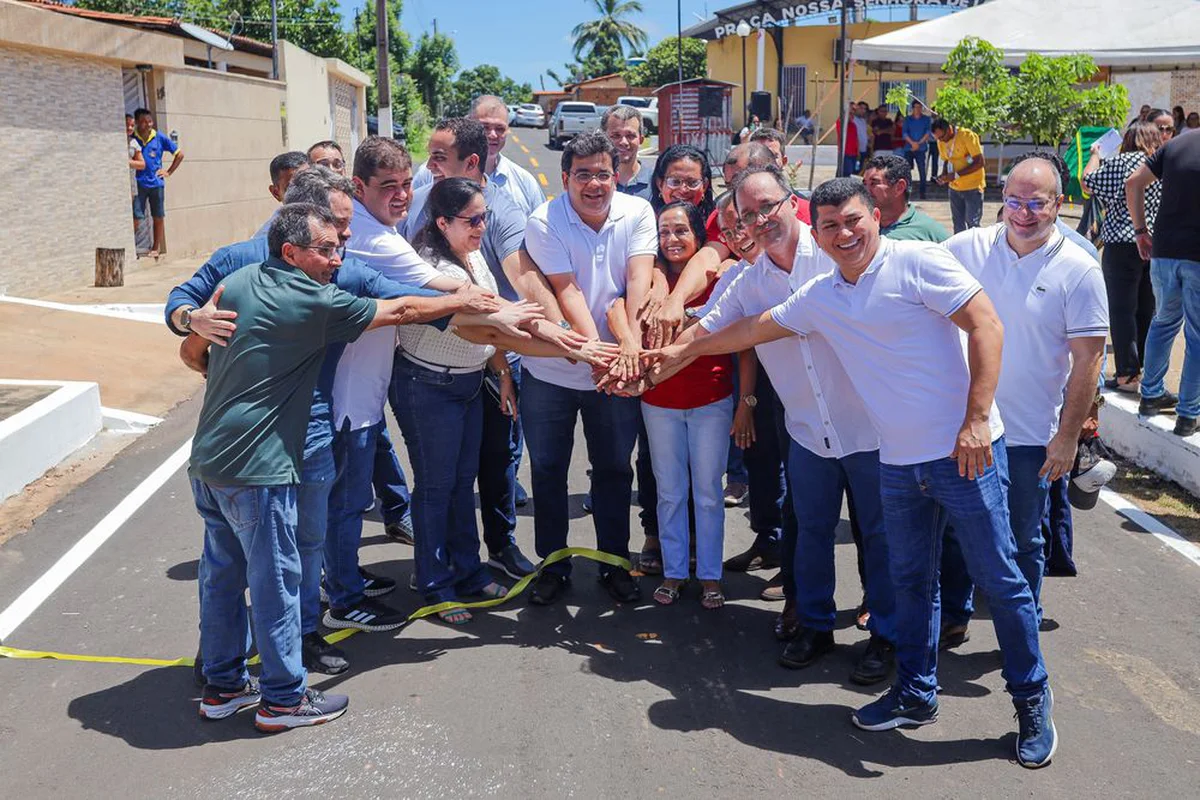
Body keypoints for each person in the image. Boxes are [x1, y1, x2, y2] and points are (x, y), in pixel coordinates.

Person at [652, 177, 1056, 768]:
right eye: (831, 226)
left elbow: (988, 327)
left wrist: (974, 420)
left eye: (853, 221)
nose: (844, 234)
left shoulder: (918, 261)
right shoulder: (821, 295)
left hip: (964, 454)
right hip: (896, 460)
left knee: (1001, 582)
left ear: (874, 218)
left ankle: (1031, 701)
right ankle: (917, 694)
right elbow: (745, 329)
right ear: (817, 231)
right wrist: (676, 353)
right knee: (912, 584)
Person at [169, 167, 508, 677]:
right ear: (300, 229)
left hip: (309, 433)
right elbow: (181, 307)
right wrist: (189, 320)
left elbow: (399, 296)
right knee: (258, 565)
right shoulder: (243, 265)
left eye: (346, 235)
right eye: (338, 233)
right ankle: (254, 671)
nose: (346, 246)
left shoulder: (332, 268)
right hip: (255, 449)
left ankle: (290, 640)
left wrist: (480, 308)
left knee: (303, 546)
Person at [645, 167, 899, 686]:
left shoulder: (834, 250)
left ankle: (887, 636)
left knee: (880, 536)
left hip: (872, 429)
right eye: (746, 217)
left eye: (768, 208)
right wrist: (640, 370)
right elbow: (702, 336)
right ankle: (815, 625)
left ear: (792, 202)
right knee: (810, 534)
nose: (760, 222)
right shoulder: (747, 281)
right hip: (807, 432)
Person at [940, 158, 1108, 637]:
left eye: (1037, 203)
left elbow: (1089, 362)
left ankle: (1021, 628)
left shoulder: (1079, 270)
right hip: (967, 426)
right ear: (1001, 198)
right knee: (955, 529)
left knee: (1023, 538)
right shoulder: (967, 248)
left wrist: (1068, 437)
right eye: (1015, 201)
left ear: (1059, 204)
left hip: (1031, 433)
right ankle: (952, 616)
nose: (1024, 213)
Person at [394, 178, 548, 623]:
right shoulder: (431, 267)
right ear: (442, 222)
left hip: (467, 383)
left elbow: (491, 333)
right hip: (428, 387)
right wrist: (569, 346)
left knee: (463, 485)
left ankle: (469, 571)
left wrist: (500, 371)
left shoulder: (473, 253)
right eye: (472, 219)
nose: (482, 226)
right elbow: (479, 322)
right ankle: (434, 584)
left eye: (486, 217)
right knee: (436, 489)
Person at [521, 130, 656, 606]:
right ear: (565, 179)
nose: (595, 184)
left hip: (617, 367)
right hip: (554, 373)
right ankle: (552, 565)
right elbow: (567, 289)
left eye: (604, 173)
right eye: (584, 175)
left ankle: (614, 563)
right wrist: (599, 353)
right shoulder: (544, 220)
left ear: (616, 174)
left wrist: (629, 349)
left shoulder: (638, 212)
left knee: (615, 470)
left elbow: (639, 278)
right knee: (549, 470)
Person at [607, 201, 734, 609]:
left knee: (709, 492)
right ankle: (676, 572)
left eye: (681, 230)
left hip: (712, 399)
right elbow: (616, 306)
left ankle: (710, 576)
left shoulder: (720, 276)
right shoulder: (649, 279)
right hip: (659, 403)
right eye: (664, 232)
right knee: (670, 490)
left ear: (699, 236)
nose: (671, 239)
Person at [1127, 124, 1200, 438]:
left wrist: (1141, 231)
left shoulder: (1176, 144)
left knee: (1164, 322)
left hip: (1165, 250)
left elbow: (1134, 182)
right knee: (1197, 336)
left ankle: (1151, 395)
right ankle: (1188, 414)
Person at [1083, 121, 1165, 393]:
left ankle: (1126, 375)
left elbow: (1088, 181)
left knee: (1121, 310)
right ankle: (1141, 370)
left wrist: (1095, 153)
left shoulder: (1121, 162)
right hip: (1155, 244)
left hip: (1120, 244)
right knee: (1147, 310)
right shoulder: (1160, 163)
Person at [470, 95, 547, 214]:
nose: (493, 135)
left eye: (500, 128)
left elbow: (542, 229)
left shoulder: (525, 183)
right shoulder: (437, 173)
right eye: (484, 127)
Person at [131, 107, 184, 258]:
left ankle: (156, 247)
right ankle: (132, 246)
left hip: (156, 184)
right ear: (137, 123)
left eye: (149, 121)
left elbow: (179, 154)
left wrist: (168, 171)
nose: (148, 124)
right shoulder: (133, 139)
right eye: (144, 122)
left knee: (158, 216)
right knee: (137, 216)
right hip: (139, 184)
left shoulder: (159, 137)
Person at [861, 154, 949, 243]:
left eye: (874, 183)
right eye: (864, 184)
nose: (865, 191)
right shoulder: (857, 228)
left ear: (899, 187)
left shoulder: (929, 233)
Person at [932, 118, 985, 233]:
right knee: (958, 223)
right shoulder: (940, 142)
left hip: (973, 187)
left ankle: (974, 249)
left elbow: (979, 162)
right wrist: (943, 175)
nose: (941, 140)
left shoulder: (967, 136)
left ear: (949, 129)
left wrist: (956, 175)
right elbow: (946, 160)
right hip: (954, 188)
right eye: (938, 138)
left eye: (942, 137)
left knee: (972, 223)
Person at [253, 152, 310, 237]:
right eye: (292, 188)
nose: (303, 192)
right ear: (276, 193)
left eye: (308, 183)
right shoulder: (268, 240)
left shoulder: (333, 220)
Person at [603, 104, 655, 199]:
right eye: (616, 136)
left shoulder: (656, 183)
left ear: (641, 139)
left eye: (630, 136)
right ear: (603, 139)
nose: (623, 142)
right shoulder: (595, 184)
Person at [649, 144, 715, 218]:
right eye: (675, 182)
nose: (683, 190)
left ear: (704, 186)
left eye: (692, 182)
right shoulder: (645, 224)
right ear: (660, 184)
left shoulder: (718, 224)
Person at [901, 101, 932, 199]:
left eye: (920, 107)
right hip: (909, 148)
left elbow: (928, 132)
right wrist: (912, 143)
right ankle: (907, 193)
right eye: (916, 107)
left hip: (921, 148)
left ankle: (922, 193)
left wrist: (918, 143)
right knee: (906, 171)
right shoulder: (908, 119)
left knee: (922, 171)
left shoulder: (926, 119)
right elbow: (904, 133)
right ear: (912, 108)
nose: (918, 109)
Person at [126, 114, 146, 224]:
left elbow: (142, 164)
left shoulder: (133, 142)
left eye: (132, 125)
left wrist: (127, 162)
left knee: (135, 218)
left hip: (131, 185)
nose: (129, 128)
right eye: (127, 125)